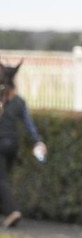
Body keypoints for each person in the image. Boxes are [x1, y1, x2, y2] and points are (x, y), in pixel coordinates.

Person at [0, 60, 48, 228]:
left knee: (1, 179)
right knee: (4, 178)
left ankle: (12, 211)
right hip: (13, 144)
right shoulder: (19, 101)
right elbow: (29, 125)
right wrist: (37, 141)